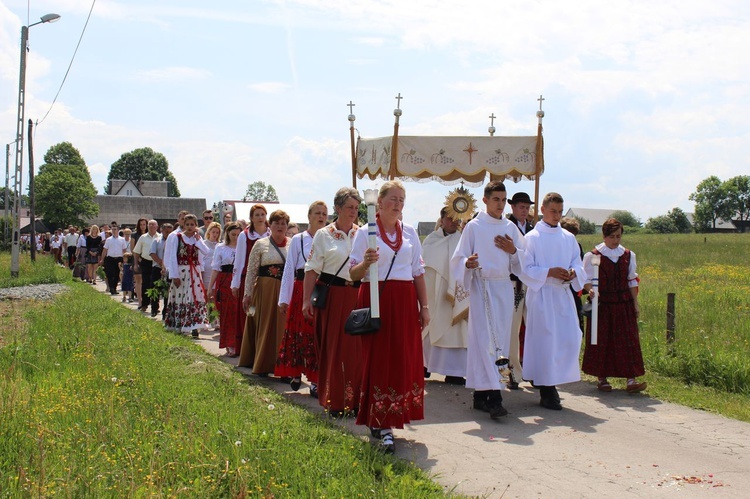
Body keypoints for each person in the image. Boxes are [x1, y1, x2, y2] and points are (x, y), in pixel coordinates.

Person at [349, 180, 429, 454]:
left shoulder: (409, 233)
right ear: (379, 203)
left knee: (402, 358)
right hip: (377, 298)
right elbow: (353, 274)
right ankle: (381, 421)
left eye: (401, 199)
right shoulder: (365, 232)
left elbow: (418, 271)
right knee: (380, 358)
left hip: (405, 300)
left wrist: (425, 307)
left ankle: (397, 415)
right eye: (393, 198)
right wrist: (366, 263)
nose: (397, 204)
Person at [450, 181, 524, 419]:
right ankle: (495, 396)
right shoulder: (474, 227)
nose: (500, 205)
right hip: (481, 286)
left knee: (500, 340)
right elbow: (459, 258)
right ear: (485, 200)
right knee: (485, 341)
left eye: (504, 200)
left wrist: (513, 250)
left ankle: (481, 395)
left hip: (503, 287)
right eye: (496, 200)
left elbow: (524, 262)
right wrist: (467, 264)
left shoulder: (511, 228)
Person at [522, 192, 586, 411]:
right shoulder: (531, 238)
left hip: (563, 294)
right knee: (546, 341)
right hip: (542, 294)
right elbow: (526, 269)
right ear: (542, 209)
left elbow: (578, 264)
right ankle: (548, 389)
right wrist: (549, 272)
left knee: (569, 338)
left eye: (560, 212)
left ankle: (552, 379)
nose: (557, 216)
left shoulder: (569, 238)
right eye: (553, 211)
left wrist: (572, 272)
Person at [302, 188, 363, 412]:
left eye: (357, 208)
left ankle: (355, 401)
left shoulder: (363, 233)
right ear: (337, 208)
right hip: (333, 297)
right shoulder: (323, 235)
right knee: (334, 350)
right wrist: (306, 300)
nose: (354, 212)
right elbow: (311, 269)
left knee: (356, 352)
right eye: (349, 207)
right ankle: (334, 401)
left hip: (357, 297)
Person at [582, 218, 646, 393]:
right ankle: (602, 378)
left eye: (618, 236)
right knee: (602, 340)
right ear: (604, 236)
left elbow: (631, 281)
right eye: (612, 236)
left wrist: (635, 304)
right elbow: (586, 280)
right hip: (603, 304)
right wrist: (591, 291)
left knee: (627, 340)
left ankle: (631, 380)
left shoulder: (627, 255)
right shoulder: (594, 255)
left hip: (623, 303)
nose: (615, 240)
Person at [276, 201, 327, 393]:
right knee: (298, 334)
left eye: (324, 213)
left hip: (321, 290)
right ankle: (295, 371)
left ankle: (316, 380)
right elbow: (289, 269)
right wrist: (284, 299)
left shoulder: (329, 238)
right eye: (317, 213)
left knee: (316, 335)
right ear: (309, 216)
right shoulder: (298, 239)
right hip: (300, 289)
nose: (321, 216)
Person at [422, 207, 469, 386]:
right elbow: (424, 266)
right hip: (434, 292)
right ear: (441, 219)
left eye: (456, 218)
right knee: (430, 327)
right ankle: (425, 365)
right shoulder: (431, 240)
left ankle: (454, 372)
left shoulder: (463, 240)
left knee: (455, 331)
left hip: (455, 293)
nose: (453, 221)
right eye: (449, 218)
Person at [240, 210, 290, 375]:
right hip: (263, 292)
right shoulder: (260, 244)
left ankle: (282, 366)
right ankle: (260, 363)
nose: (280, 226)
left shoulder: (292, 244)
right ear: (271, 225)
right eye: (277, 223)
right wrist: (247, 294)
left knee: (283, 329)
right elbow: (251, 270)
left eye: (283, 223)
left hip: (284, 291)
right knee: (261, 324)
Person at [232, 205, 269, 358]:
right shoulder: (245, 235)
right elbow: (239, 260)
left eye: (263, 214)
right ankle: (248, 349)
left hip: (267, 281)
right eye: (257, 215)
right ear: (252, 218)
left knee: (264, 315)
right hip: (250, 280)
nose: (260, 217)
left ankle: (262, 348)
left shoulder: (271, 233)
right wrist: (235, 283)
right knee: (251, 313)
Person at [506, 191, 535, 388]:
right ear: (513, 207)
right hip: (514, 283)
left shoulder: (533, 230)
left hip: (532, 283)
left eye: (527, 207)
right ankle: (513, 372)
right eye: (521, 207)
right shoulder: (507, 228)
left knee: (534, 326)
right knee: (513, 329)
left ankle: (534, 369)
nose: (524, 211)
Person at [164, 214, 210, 335]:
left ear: (196, 226)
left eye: (192, 224)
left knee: (194, 298)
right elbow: (173, 257)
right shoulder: (177, 237)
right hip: (181, 271)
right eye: (187, 224)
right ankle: (180, 324)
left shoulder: (197, 239)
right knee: (181, 297)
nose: (190, 227)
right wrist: (174, 275)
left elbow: (206, 252)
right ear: (183, 225)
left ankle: (194, 325)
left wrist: (198, 240)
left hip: (194, 273)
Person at [208, 222, 241, 356]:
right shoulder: (220, 248)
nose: (236, 237)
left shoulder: (243, 248)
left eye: (238, 235)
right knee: (227, 313)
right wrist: (210, 287)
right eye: (233, 234)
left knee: (238, 313)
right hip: (225, 280)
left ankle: (239, 343)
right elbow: (216, 268)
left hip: (238, 279)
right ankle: (229, 343)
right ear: (227, 233)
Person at [133, 220, 159, 313]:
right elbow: (136, 252)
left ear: (157, 226)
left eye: (154, 225)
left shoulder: (160, 237)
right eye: (150, 225)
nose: (152, 226)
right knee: (146, 283)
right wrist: (136, 264)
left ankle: (155, 306)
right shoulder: (143, 237)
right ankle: (144, 304)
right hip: (146, 262)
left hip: (157, 263)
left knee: (156, 284)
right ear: (148, 226)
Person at [150, 223, 174, 319]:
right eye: (166, 231)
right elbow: (152, 253)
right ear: (162, 231)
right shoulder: (157, 240)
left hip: (169, 269)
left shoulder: (173, 241)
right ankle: (154, 308)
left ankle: (165, 312)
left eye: (170, 232)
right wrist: (161, 263)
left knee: (167, 291)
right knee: (155, 289)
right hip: (157, 267)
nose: (168, 234)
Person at [100, 222, 128, 295]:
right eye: (112, 229)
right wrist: (102, 259)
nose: (114, 231)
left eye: (115, 229)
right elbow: (105, 250)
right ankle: (111, 287)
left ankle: (114, 288)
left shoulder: (122, 239)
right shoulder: (108, 239)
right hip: (110, 258)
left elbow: (124, 250)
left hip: (119, 258)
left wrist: (125, 260)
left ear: (118, 230)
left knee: (116, 274)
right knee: (109, 273)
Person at [131, 218, 149, 307]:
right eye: (141, 224)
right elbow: (132, 249)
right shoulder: (134, 235)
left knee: (146, 280)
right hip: (137, 259)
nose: (142, 226)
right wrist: (138, 259)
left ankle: (146, 299)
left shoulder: (150, 235)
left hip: (147, 260)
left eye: (144, 224)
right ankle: (140, 301)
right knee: (138, 280)